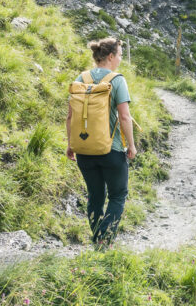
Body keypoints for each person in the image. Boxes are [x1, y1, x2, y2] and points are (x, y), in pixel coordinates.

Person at [66, 37, 137, 248]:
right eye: (120, 56)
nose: (120, 60)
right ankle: (104, 241)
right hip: (111, 150)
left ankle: (97, 238)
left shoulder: (81, 78)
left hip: (84, 151)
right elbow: (125, 117)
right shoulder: (117, 80)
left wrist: (71, 144)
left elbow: (70, 117)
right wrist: (131, 145)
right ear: (110, 56)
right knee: (118, 195)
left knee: (95, 196)